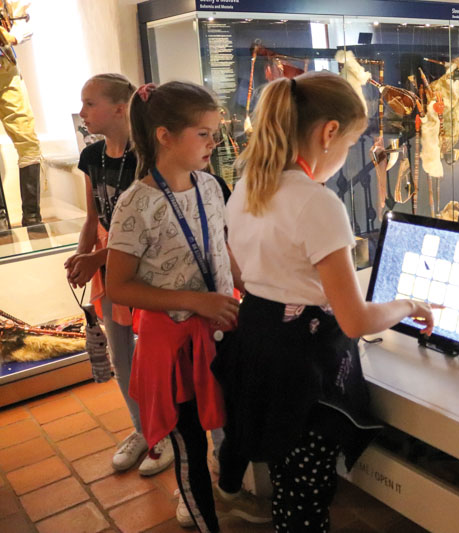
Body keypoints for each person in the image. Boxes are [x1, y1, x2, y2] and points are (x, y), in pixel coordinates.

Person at [216, 71, 436, 531]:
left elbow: (244, 275)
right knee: (308, 496)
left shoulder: (246, 186)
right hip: (303, 372)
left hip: (259, 348)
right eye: (351, 143)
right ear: (329, 132)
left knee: (286, 472)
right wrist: (409, 305)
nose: (346, 155)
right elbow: (355, 321)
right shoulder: (317, 203)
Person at [105, 81, 268, 533]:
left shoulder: (210, 185)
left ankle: (228, 490)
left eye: (215, 133)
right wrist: (194, 300)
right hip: (175, 348)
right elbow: (118, 286)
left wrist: (249, 287)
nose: (214, 143)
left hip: (222, 327)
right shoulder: (135, 204)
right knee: (190, 444)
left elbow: (220, 247)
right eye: (204, 134)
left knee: (238, 421)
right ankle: (203, 517)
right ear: (165, 136)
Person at [65, 74, 174, 477]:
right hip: (108, 267)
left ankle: (169, 432)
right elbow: (93, 216)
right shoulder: (92, 157)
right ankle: (144, 429)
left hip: (148, 270)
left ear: (119, 108)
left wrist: (96, 257)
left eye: (89, 103)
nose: (82, 112)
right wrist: (83, 258)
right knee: (121, 355)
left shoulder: (147, 157)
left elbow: (151, 229)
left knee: (158, 356)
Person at [0, 1, 42, 226]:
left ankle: (32, 218)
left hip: (6, 69)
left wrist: (13, 35)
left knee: (28, 141)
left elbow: (24, 20)